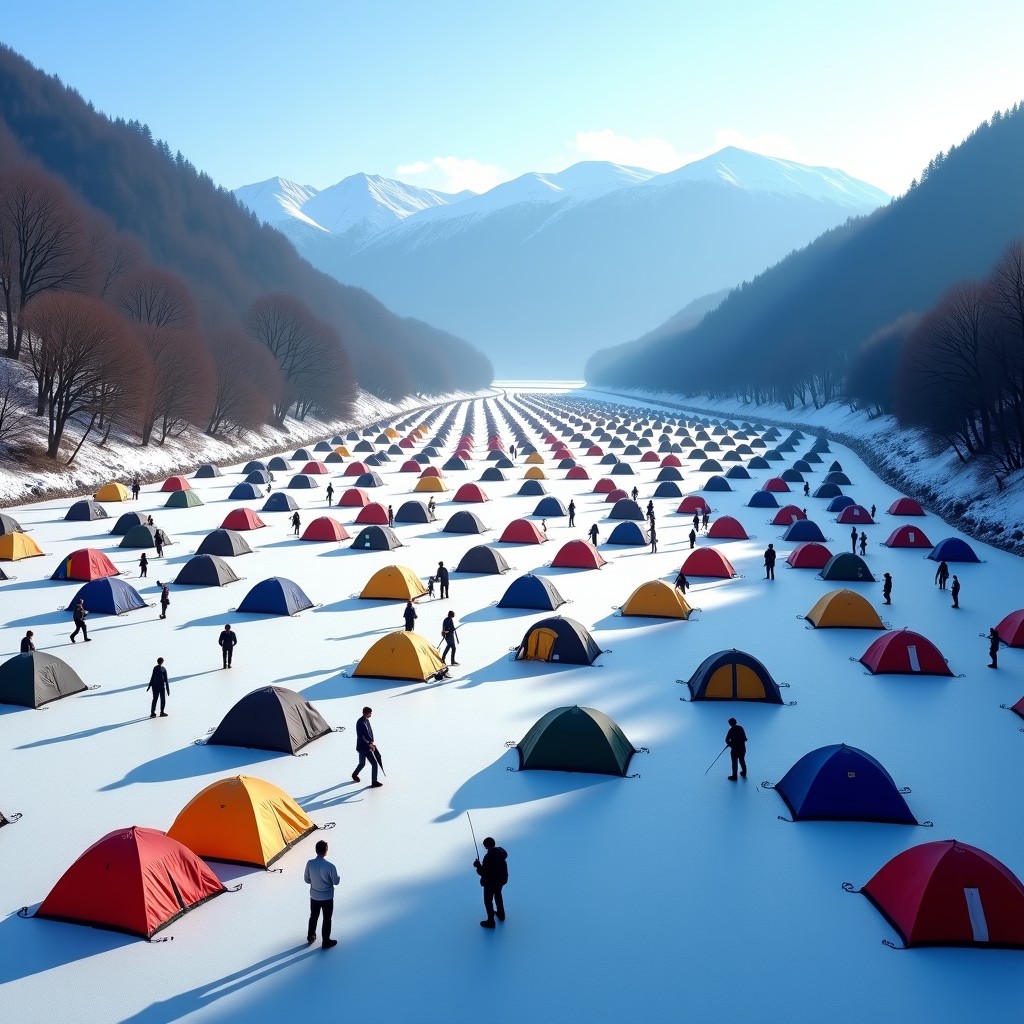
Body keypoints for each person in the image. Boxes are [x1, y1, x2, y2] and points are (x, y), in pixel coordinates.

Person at [305, 839, 340, 949]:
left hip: (314, 896)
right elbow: (336, 882)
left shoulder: (310, 863)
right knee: (327, 918)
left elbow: (307, 880)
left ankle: (310, 936)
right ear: (325, 851)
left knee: (313, 916)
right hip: (327, 898)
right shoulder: (330, 866)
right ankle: (326, 941)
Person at [474, 836, 509, 929]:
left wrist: (477, 865)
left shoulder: (489, 857)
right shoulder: (500, 852)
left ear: (487, 846)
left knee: (488, 901)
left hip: (491, 882)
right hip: (501, 880)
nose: (485, 848)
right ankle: (501, 915)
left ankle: (491, 922)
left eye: (485, 846)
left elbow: (483, 872)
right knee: (498, 895)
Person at [352, 706, 381, 786]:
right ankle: (355, 775)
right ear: (366, 713)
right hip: (363, 747)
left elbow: (369, 733)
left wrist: (371, 742)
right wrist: (369, 744)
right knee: (364, 764)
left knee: (369, 764)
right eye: (370, 713)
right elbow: (361, 736)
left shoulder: (366, 721)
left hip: (367, 746)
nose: (371, 714)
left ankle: (374, 781)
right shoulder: (360, 722)